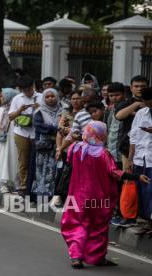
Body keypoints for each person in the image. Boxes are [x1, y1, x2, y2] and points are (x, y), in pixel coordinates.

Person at [61, 121, 150, 269]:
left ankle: (76, 256)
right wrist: (136, 177)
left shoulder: (75, 148)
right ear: (101, 135)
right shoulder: (103, 153)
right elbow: (115, 173)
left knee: (77, 224)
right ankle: (97, 257)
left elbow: (69, 161)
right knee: (98, 227)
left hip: (77, 197)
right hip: (99, 199)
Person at [8, 75, 42, 196]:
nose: (27, 92)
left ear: (33, 86)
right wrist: (20, 110)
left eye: (29, 89)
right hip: (21, 132)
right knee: (23, 160)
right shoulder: (17, 98)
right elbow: (10, 117)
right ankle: (23, 186)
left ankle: (36, 186)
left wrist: (39, 109)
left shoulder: (41, 97)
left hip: (37, 133)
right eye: (24, 90)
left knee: (37, 160)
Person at [129, 87, 152, 235]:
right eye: (147, 102)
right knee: (143, 192)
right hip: (141, 158)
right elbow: (134, 137)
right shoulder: (141, 113)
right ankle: (148, 223)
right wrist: (130, 159)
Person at [31, 88, 61, 197]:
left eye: (52, 96)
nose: (50, 99)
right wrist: (56, 128)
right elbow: (39, 127)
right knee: (42, 169)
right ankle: (41, 192)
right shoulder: (39, 112)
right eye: (47, 97)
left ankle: (52, 193)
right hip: (44, 146)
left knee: (54, 169)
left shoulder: (62, 110)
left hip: (58, 145)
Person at [0, 88, 19, 193]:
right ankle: (3, 184)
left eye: (2, 96)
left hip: (13, 139)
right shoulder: (1, 110)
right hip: (2, 140)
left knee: (14, 160)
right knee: (2, 161)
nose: (0, 98)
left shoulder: (16, 110)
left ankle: (15, 184)